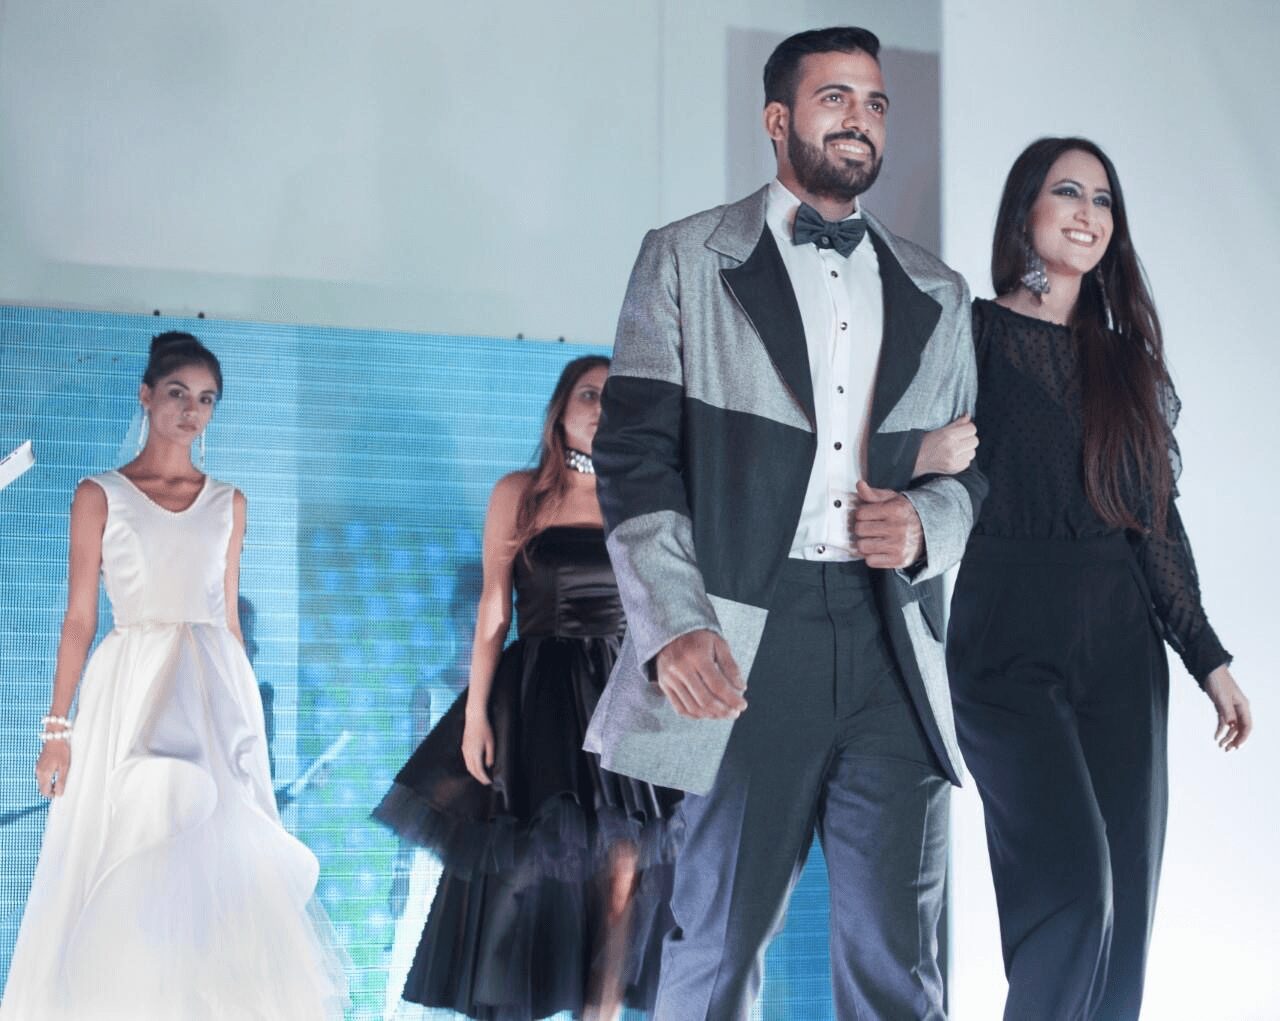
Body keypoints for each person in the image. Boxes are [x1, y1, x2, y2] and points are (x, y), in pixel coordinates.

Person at [582, 26, 985, 1020]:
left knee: (900, 957)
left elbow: (970, 473)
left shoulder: (938, 291)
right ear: (777, 120)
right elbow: (634, 456)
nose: (860, 118)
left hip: (891, 644)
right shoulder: (684, 257)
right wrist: (674, 622)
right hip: (743, 631)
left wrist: (924, 524)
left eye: (875, 102)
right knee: (718, 940)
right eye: (834, 97)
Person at [945, 137, 1254, 1020]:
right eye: (1068, 192)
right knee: (1074, 891)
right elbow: (911, 458)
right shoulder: (970, 332)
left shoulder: (1125, 361)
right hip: (1005, 637)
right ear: (1026, 210)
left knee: (1126, 917)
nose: (1088, 213)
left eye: (1104, 199)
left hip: (1120, 645)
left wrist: (1207, 657)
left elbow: (1153, 515)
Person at [1, 332, 347, 1020]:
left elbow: (228, 616)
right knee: (132, 834)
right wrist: (56, 729)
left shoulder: (228, 502)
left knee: (217, 851)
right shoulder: (99, 494)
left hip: (213, 691)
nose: (192, 410)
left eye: (207, 399)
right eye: (179, 393)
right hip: (129, 686)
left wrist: (248, 728)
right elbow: (79, 618)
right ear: (147, 396)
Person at [372, 355, 679, 1021]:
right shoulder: (519, 492)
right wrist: (476, 713)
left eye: (615, 398)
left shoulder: (645, 497)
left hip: (623, 695)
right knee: (527, 866)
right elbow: (494, 607)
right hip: (538, 693)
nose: (601, 407)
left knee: (625, 869)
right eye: (589, 394)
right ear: (560, 409)